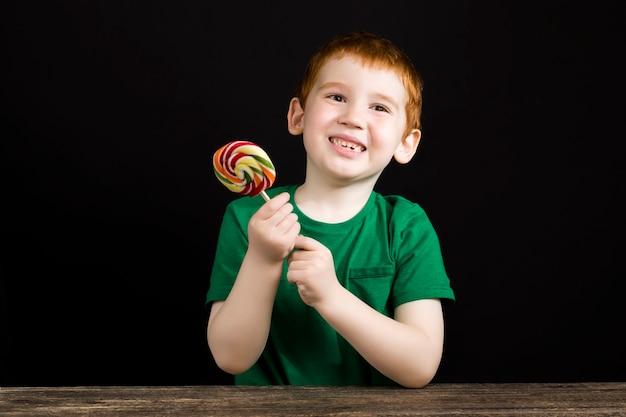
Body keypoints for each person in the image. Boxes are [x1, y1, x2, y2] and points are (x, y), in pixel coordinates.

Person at [206, 31, 455, 388]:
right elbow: (231, 356)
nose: (353, 117)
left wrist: (331, 296)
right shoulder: (248, 217)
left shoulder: (406, 227)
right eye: (337, 97)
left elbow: (419, 367)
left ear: (405, 143)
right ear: (298, 116)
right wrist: (262, 259)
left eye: (379, 107)